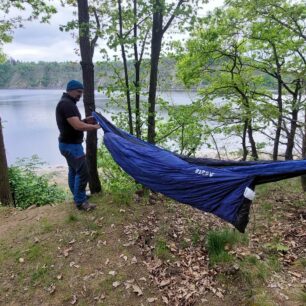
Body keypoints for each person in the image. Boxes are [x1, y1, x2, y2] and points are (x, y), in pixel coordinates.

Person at [56, 80, 100, 211]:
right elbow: (77, 126)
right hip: (71, 146)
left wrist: (85, 120)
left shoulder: (67, 103)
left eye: (82, 92)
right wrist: (94, 126)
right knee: (83, 172)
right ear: (70, 90)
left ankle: (77, 196)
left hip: (67, 144)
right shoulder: (66, 104)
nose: (80, 95)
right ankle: (81, 202)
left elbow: (74, 123)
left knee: (74, 171)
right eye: (78, 92)